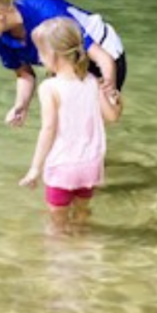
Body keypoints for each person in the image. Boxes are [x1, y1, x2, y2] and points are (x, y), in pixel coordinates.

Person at [0, 0, 126, 127]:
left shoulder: (48, 14)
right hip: (66, 62)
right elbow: (24, 73)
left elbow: (103, 57)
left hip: (103, 51)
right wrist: (21, 106)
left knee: (96, 118)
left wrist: (109, 89)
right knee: (65, 119)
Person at [19, 17, 122, 233]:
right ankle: (84, 248)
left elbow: (48, 129)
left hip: (62, 168)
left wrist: (35, 168)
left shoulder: (50, 87)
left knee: (57, 223)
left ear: (53, 55)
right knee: (82, 214)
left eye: (41, 52)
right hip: (90, 166)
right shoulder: (92, 81)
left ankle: (61, 257)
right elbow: (112, 117)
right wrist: (117, 100)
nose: (39, 57)